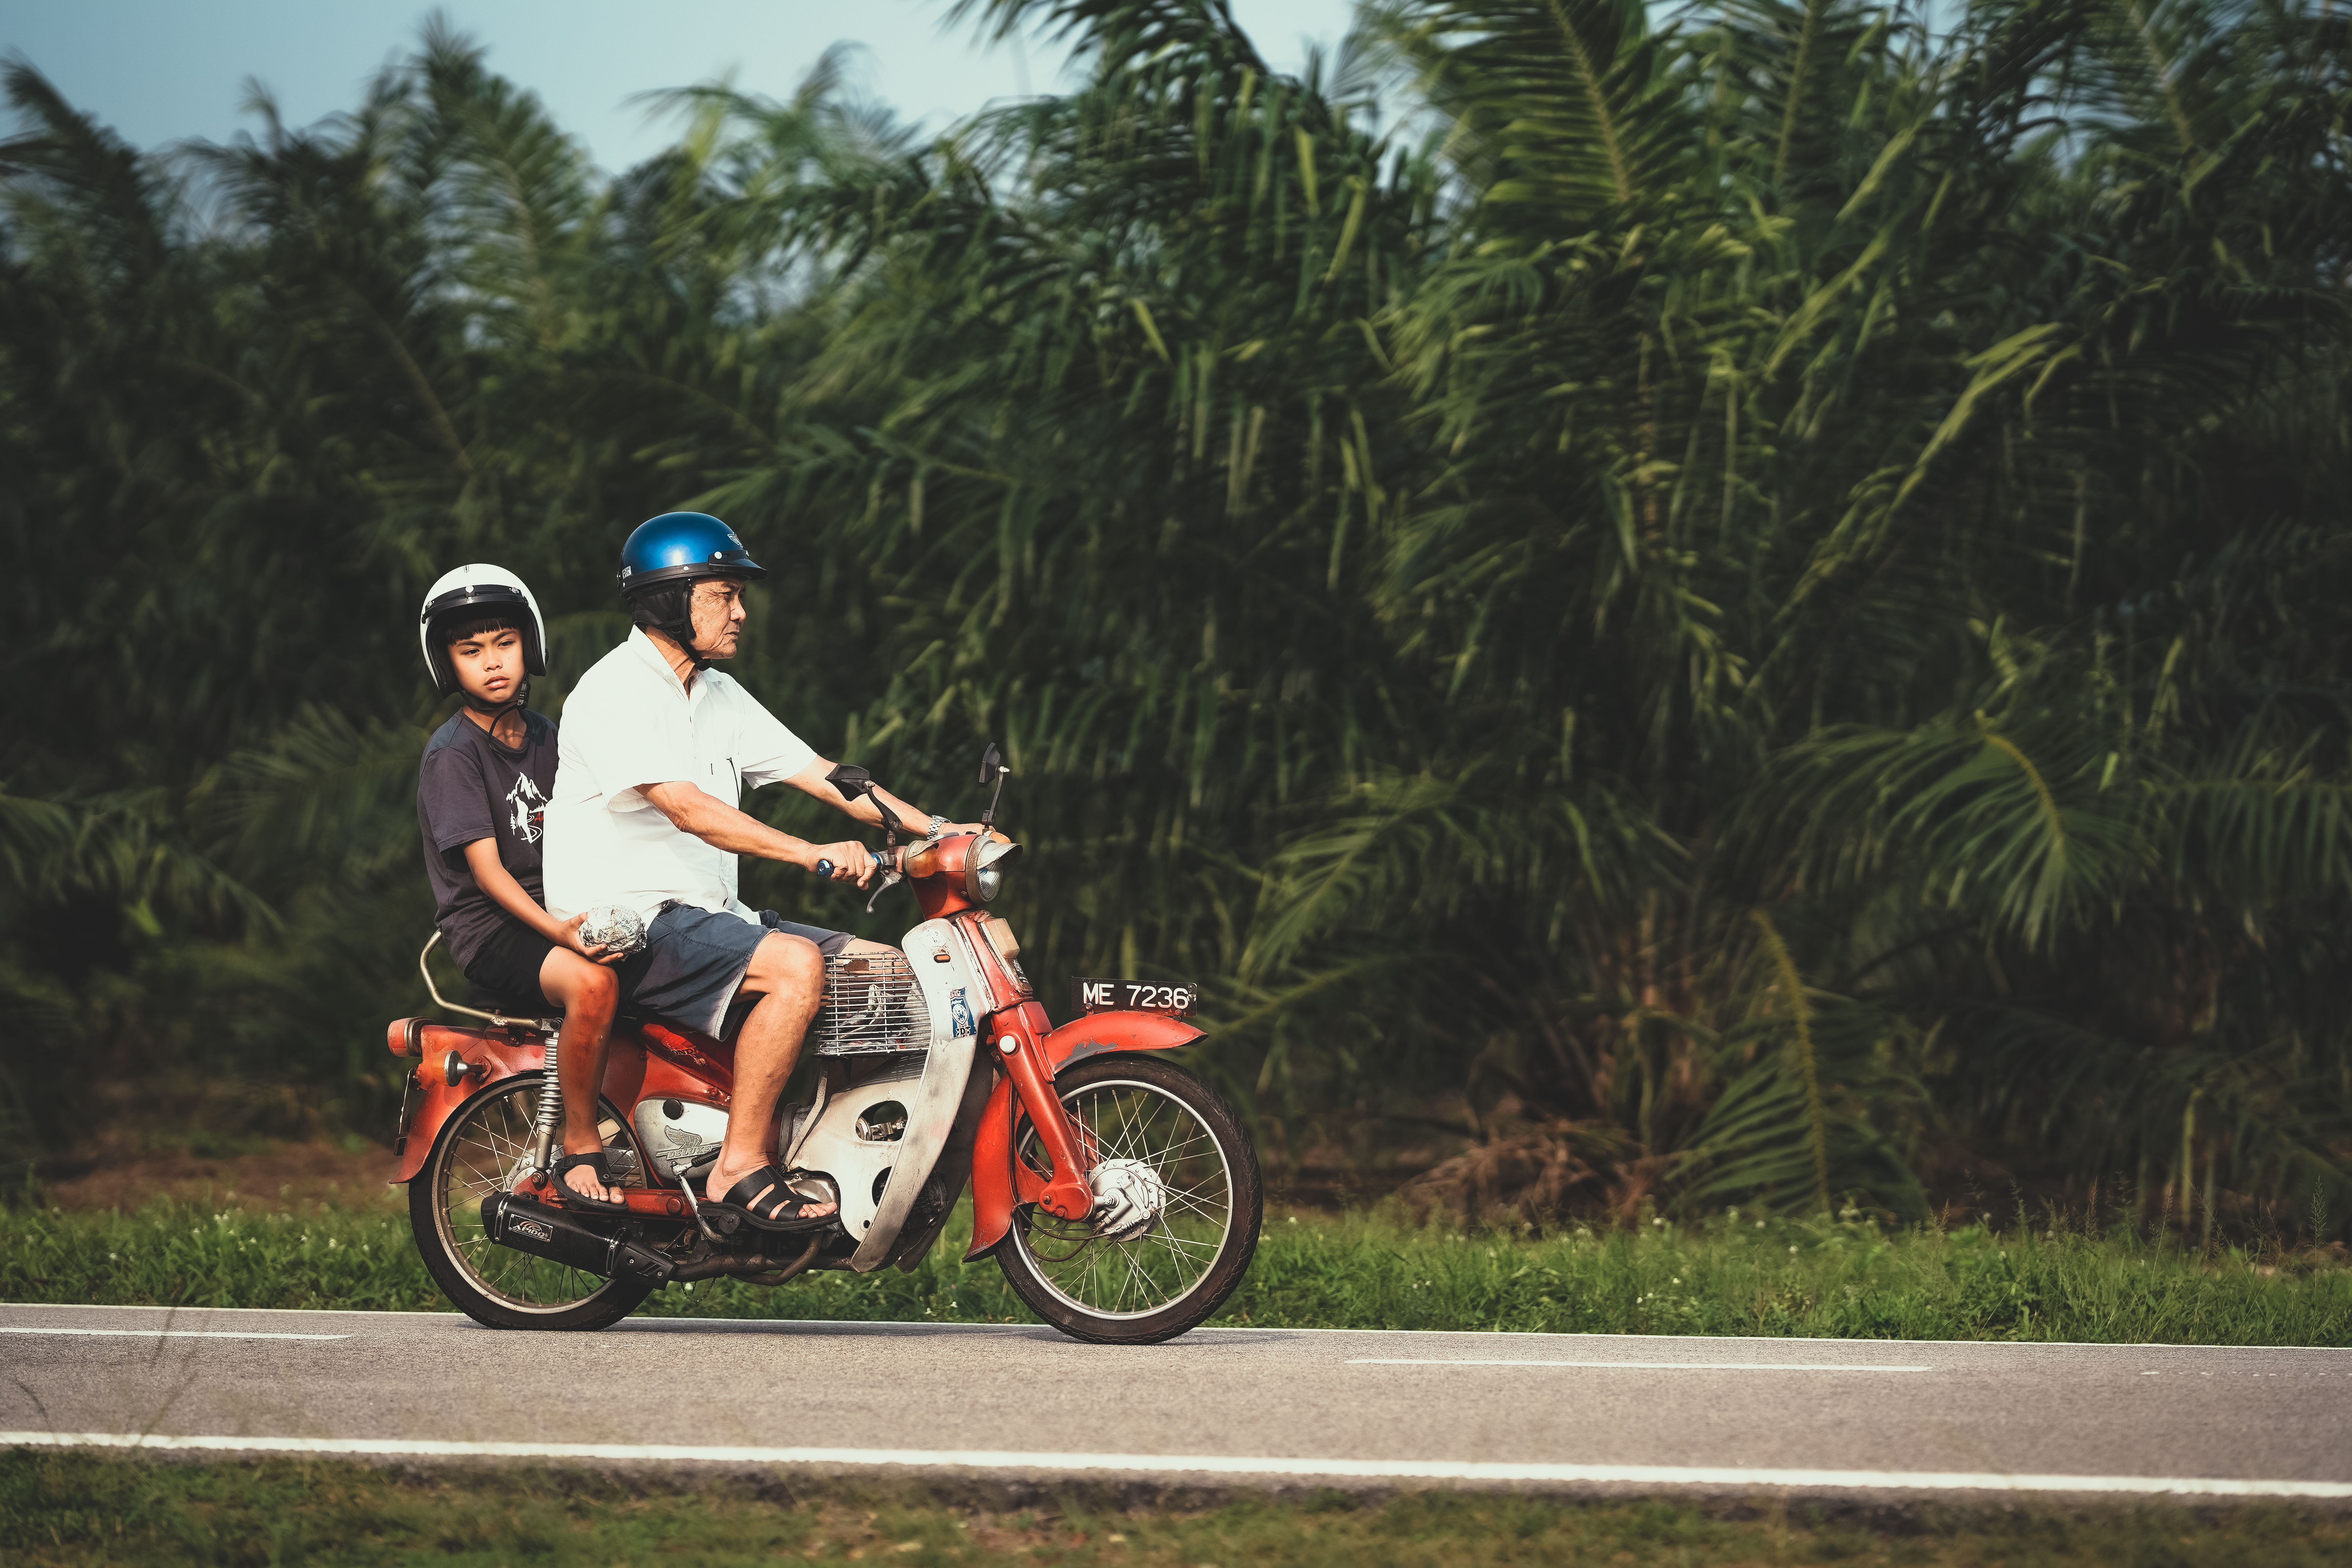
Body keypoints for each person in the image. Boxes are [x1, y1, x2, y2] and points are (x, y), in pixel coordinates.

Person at [543, 512, 976, 1235]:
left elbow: (826, 776)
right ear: (669, 599)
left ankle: (823, 1153)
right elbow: (688, 810)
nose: (741, 611)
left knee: (895, 976)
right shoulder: (611, 691)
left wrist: (941, 829)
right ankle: (740, 1164)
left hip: (711, 915)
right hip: (629, 922)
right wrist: (811, 852)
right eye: (723, 593)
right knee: (795, 966)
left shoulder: (717, 693)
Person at [413, 565, 629, 1212]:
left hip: (560, 908)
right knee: (592, 983)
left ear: (529, 646)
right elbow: (487, 872)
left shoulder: (549, 738)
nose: (492, 663)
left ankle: (643, 1130)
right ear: (447, 665)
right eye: (470, 651)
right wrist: (564, 932)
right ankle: (583, 1144)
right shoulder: (453, 754)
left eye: (504, 643)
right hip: (493, 927)